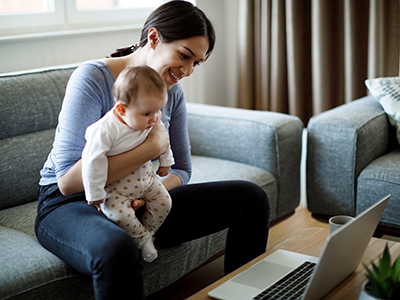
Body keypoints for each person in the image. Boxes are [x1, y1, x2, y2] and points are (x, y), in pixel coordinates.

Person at [35, 1, 270, 299]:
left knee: (250, 199)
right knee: (116, 247)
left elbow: (182, 170)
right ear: (154, 38)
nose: (187, 71)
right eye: (184, 56)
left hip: (138, 195)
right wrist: (150, 148)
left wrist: (146, 192)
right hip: (72, 204)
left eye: (196, 63)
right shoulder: (93, 78)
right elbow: (67, 182)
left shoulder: (172, 94)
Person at [82, 66, 174, 263]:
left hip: (148, 179)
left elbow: (164, 140)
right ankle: (142, 239)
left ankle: (145, 235)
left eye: (158, 110)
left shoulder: (151, 120)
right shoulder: (106, 130)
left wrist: (166, 162)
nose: (155, 118)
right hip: (116, 189)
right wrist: (95, 193)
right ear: (121, 109)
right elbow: (92, 162)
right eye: (148, 113)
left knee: (165, 202)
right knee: (116, 213)